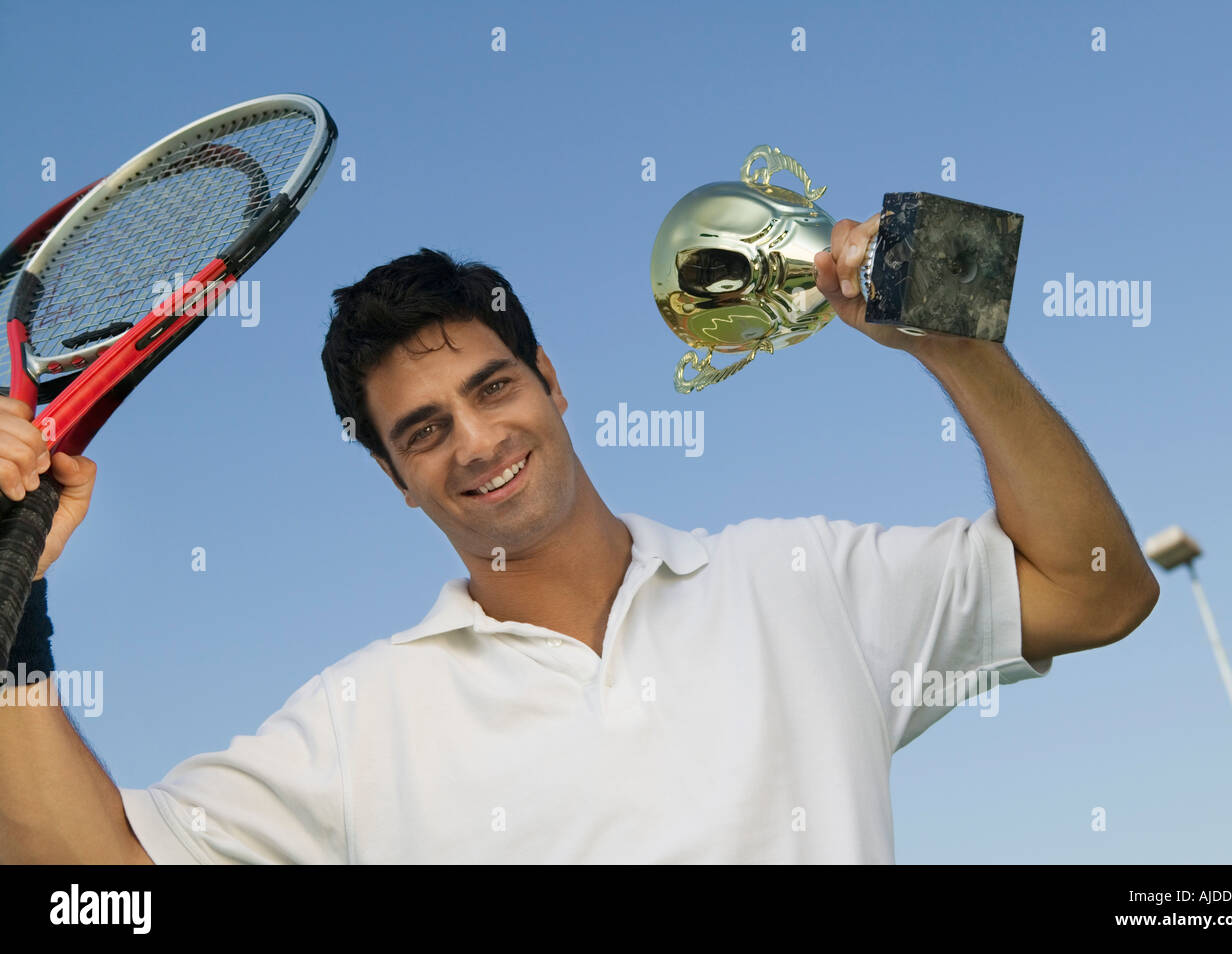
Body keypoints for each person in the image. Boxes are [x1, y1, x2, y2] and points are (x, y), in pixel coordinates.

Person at [0, 215, 1159, 863]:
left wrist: (954, 344)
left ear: (552, 383)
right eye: (421, 431)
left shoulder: (802, 585)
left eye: (494, 387)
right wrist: (12, 618)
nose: (474, 442)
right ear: (395, 479)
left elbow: (1099, 591)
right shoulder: (359, 728)